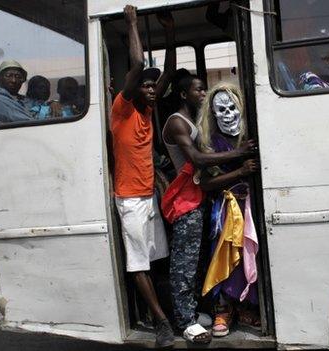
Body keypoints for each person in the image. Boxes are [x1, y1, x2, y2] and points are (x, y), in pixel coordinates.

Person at [161, 75, 256, 343]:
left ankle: (196, 311)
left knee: (203, 261)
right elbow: (198, 159)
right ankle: (186, 322)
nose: (203, 93)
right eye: (198, 90)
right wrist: (240, 159)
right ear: (183, 94)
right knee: (185, 265)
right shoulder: (179, 122)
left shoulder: (194, 122)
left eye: (205, 89)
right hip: (186, 200)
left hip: (199, 201)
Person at [110, 5, 176, 348]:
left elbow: (167, 72)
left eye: (154, 87)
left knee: (157, 259)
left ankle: (163, 314)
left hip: (148, 195)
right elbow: (137, 67)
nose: (152, 89)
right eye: (146, 86)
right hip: (130, 199)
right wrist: (133, 23)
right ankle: (161, 323)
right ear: (134, 89)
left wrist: (169, 34)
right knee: (138, 263)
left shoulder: (148, 109)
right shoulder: (121, 110)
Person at [197, 83, 260, 338]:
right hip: (226, 211)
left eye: (232, 108)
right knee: (226, 259)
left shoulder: (250, 135)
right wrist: (240, 171)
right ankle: (223, 310)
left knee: (250, 257)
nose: (228, 114)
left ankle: (245, 306)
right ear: (212, 114)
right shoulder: (211, 143)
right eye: (221, 110)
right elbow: (207, 183)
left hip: (251, 209)